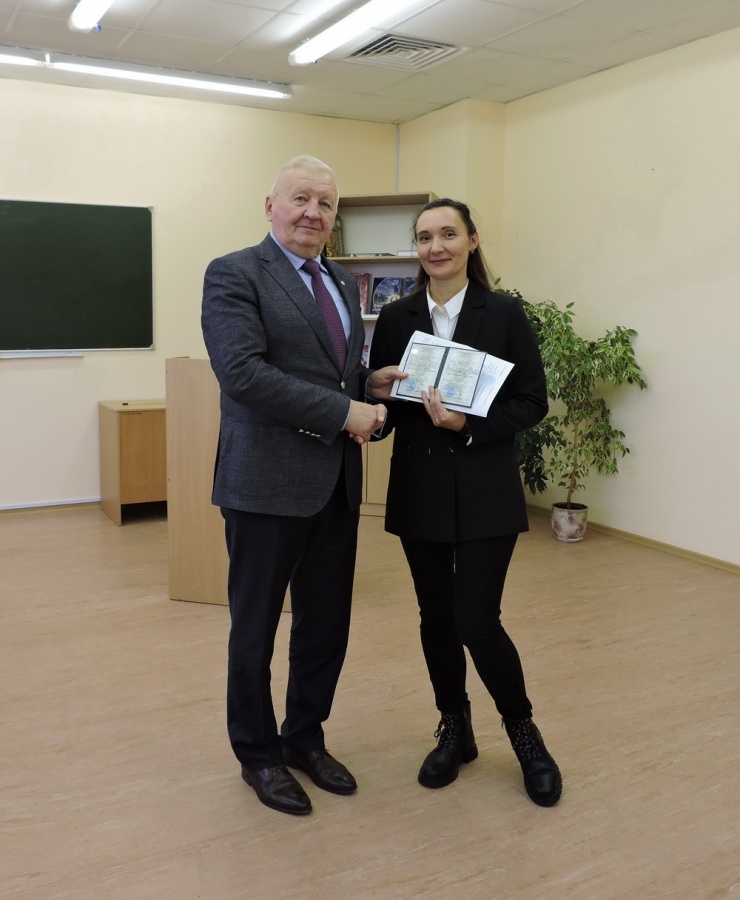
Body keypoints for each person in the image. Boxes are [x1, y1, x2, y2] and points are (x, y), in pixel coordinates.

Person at [201, 155, 402, 816]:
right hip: (264, 484)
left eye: (325, 203)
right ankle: (258, 755)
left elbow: (332, 373)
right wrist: (346, 412)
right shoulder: (234, 273)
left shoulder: (341, 281)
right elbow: (243, 374)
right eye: (300, 198)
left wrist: (369, 385)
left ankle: (304, 738)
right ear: (270, 205)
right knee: (254, 631)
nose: (313, 213)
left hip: (334, 485)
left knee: (324, 626)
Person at [369, 198, 562, 807]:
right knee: (435, 619)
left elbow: (532, 401)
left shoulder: (504, 313)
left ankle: (524, 734)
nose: (436, 247)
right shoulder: (396, 317)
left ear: (472, 241)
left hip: (485, 489)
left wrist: (467, 425)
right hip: (420, 491)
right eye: (425, 237)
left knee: (477, 620)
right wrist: (373, 396)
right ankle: (455, 727)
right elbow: (386, 413)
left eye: (448, 234)